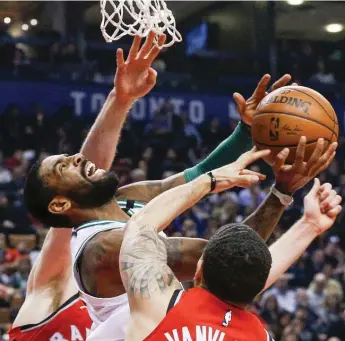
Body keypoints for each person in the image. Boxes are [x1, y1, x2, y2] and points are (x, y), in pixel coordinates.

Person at [22, 33, 337, 338]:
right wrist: (280, 193)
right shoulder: (100, 250)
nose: (77, 158)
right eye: (64, 166)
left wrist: (247, 131)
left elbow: (198, 171)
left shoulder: (128, 198)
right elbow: (222, 261)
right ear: (61, 204)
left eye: (70, 156)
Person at [8, 32, 167, 341]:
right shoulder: (56, 286)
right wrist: (118, 102)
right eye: (65, 165)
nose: (79, 163)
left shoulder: (148, 305)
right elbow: (82, 186)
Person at [119, 167, 342, 340]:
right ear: (258, 292)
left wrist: (209, 180)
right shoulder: (261, 336)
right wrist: (310, 226)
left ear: (199, 269)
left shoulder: (157, 303)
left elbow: (141, 225)